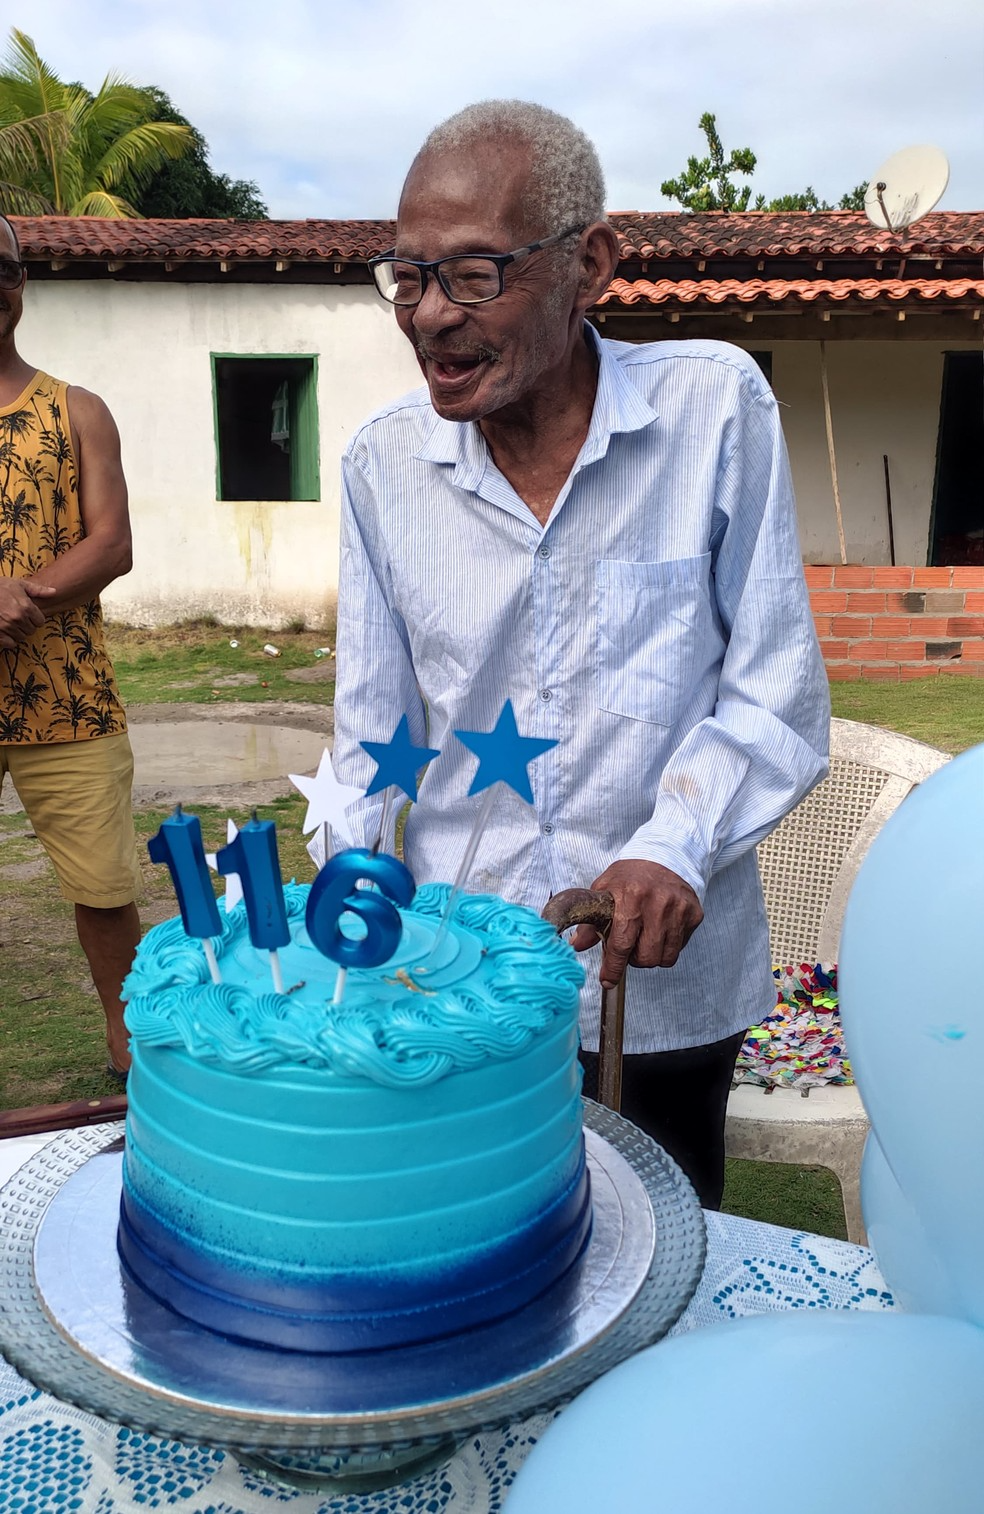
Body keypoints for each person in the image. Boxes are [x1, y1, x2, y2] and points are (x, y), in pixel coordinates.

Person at [331, 101, 830, 1208]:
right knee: (479, 1261)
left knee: (662, 1252)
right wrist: (348, 904)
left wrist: (675, 846)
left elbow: (776, 690)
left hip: (662, 983)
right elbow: (374, 734)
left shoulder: (715, 411)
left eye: (471, 276)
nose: (427, 318)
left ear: (588, 263)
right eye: (406, 277)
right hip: (457, 980)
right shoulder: (383, 467)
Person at [0, 212, 141, 1081]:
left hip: (69, 698)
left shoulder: (76, 410)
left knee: (104, 895)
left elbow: (113, 543)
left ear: (20, 285)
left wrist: (22, 597)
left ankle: (139, 1071)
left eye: (3, 267)